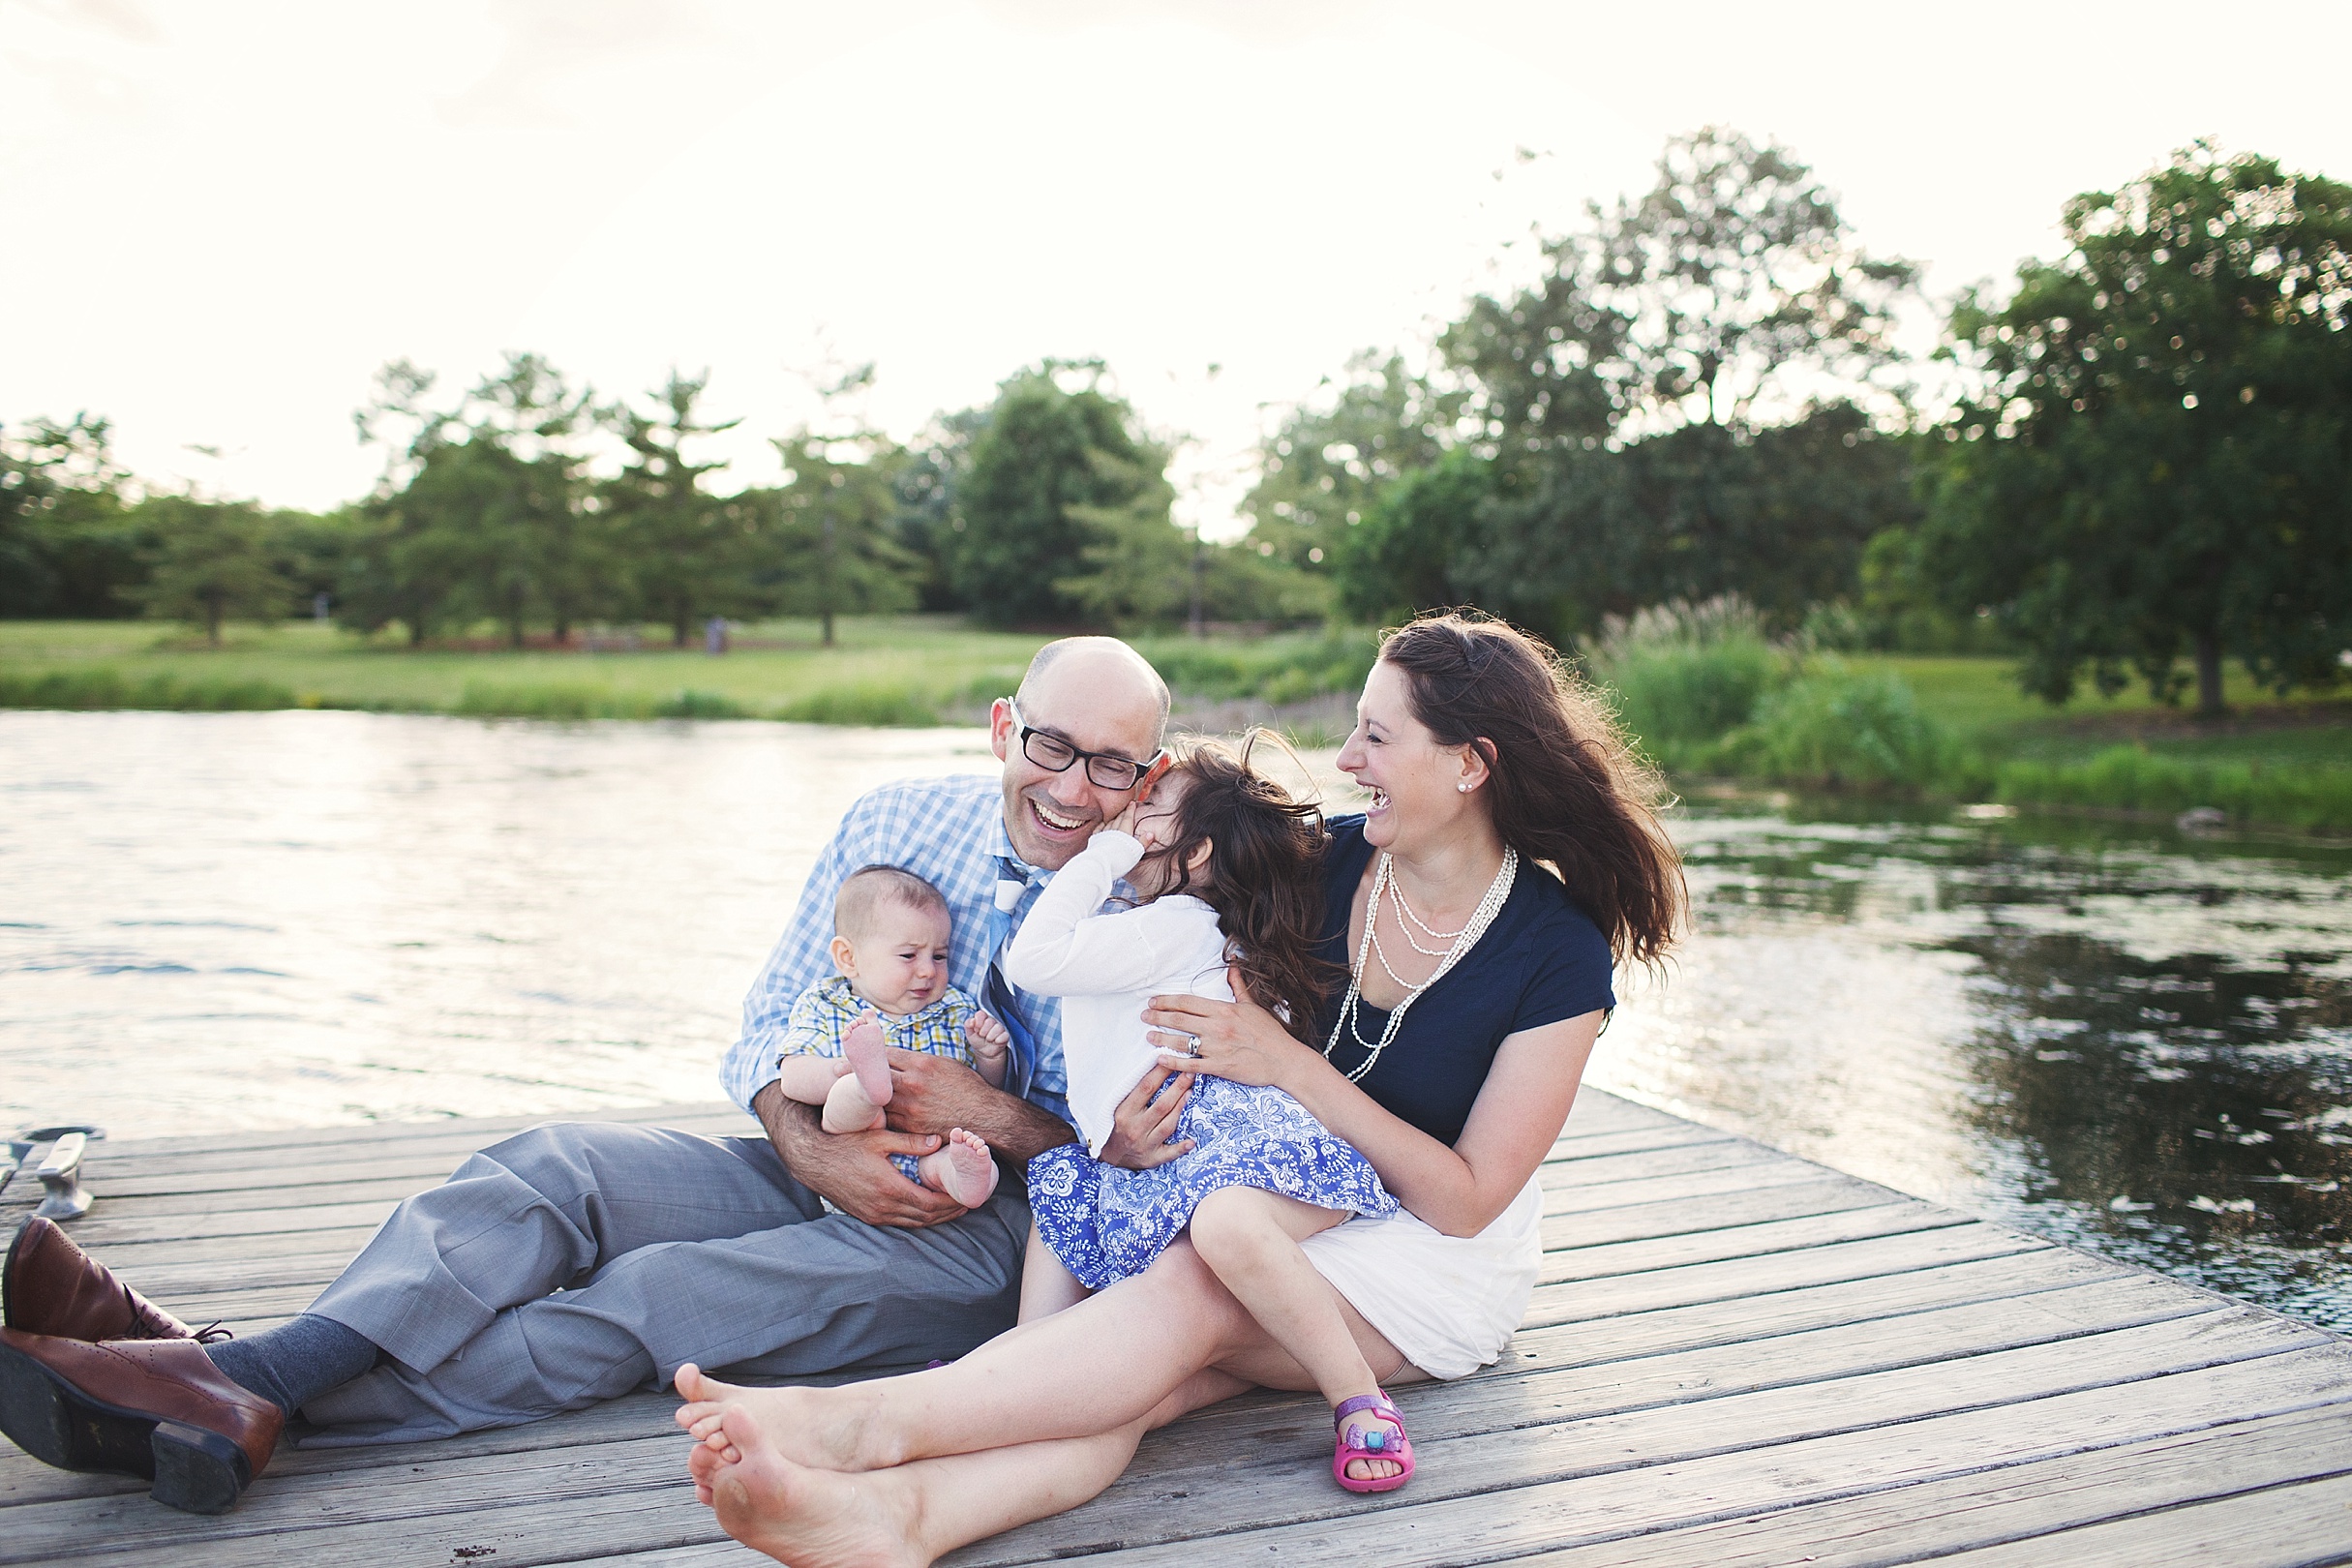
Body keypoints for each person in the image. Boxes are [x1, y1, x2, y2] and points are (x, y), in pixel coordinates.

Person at [0, 636, 1192, 1514]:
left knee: (661, 1293)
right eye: (1051, 746)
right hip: (819, 1151)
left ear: (1148, 777)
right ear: (1002, 728)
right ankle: (226, 1376)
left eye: (1112, 766)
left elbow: (1162, 1155)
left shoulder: (1178, 909)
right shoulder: (896, 820)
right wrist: (806, 1138)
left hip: (1010, 1244)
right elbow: (768, 1019)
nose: (1074, 790)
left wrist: (995, 1116)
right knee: (553, 1168)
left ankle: (213, 1369)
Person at [668, 611, 1685, 1564]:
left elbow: (1465, 1202)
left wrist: (1282, 1063)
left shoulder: (1553, 953)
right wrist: (1117, 1122)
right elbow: (1162, 892)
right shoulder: (1319, 862)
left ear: (1469, 764)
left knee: (1191, 1285)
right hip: (1280, 1199)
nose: (1345, 762)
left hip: (1431, 1258)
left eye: (1375, 738)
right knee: (1142, 1381)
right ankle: (904, 1521)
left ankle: (851, 1427)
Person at [1003, 737, 1410, 1491]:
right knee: (1060, 1194)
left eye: (1150, 807)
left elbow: (1032, 960)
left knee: (1214, 1224)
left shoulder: (1176, 925)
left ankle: (1359, 1398)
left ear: (1195, 857)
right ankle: (1010, 1375)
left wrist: (1100, 857)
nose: (1129, 814)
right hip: (1168, 1143)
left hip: (1224, 1138)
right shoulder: (1180, 928)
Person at [770, 864, 1010, 1209]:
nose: (928, 970)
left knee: (953, 1156)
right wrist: (840, 1071)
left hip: (931, 1145)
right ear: (848, 958)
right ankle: (866, 1085)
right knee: (846, 1099)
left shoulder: (954, 1008)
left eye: (939, 956)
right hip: (856, 1149)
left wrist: (989, 1057)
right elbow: (792, 1079)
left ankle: (966, 1179)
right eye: (909, 955)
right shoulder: (827, 1004)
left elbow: (984, 1092)